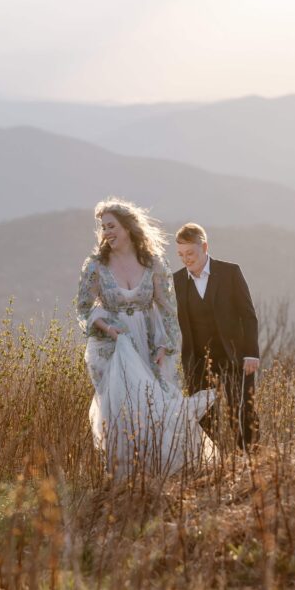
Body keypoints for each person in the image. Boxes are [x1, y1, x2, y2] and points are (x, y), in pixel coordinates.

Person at [76, 198, 216, 478]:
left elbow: (167, 308)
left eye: (112, 226)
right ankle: (127, 477)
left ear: (128, 227)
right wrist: (108, 327)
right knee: (122, 411)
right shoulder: (95, 266)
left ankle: (164, 472)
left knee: (156, 406)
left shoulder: (153, 263)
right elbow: (83, 309)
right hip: (114, 348)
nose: (107, 232)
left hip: (149, 345)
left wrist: (166, 345)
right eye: (103, 227)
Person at [173, 223, 260, 450]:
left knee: (241, 411)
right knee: (203, 416)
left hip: (234, 356)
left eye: (190, 253)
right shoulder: (177, 281)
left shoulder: (230, 272)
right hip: (197, 360)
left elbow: (248, 316)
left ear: (204, 247)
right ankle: (215, 461)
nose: (186, 259)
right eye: (181, 254)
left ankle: (251, 458)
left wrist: (251, 353)